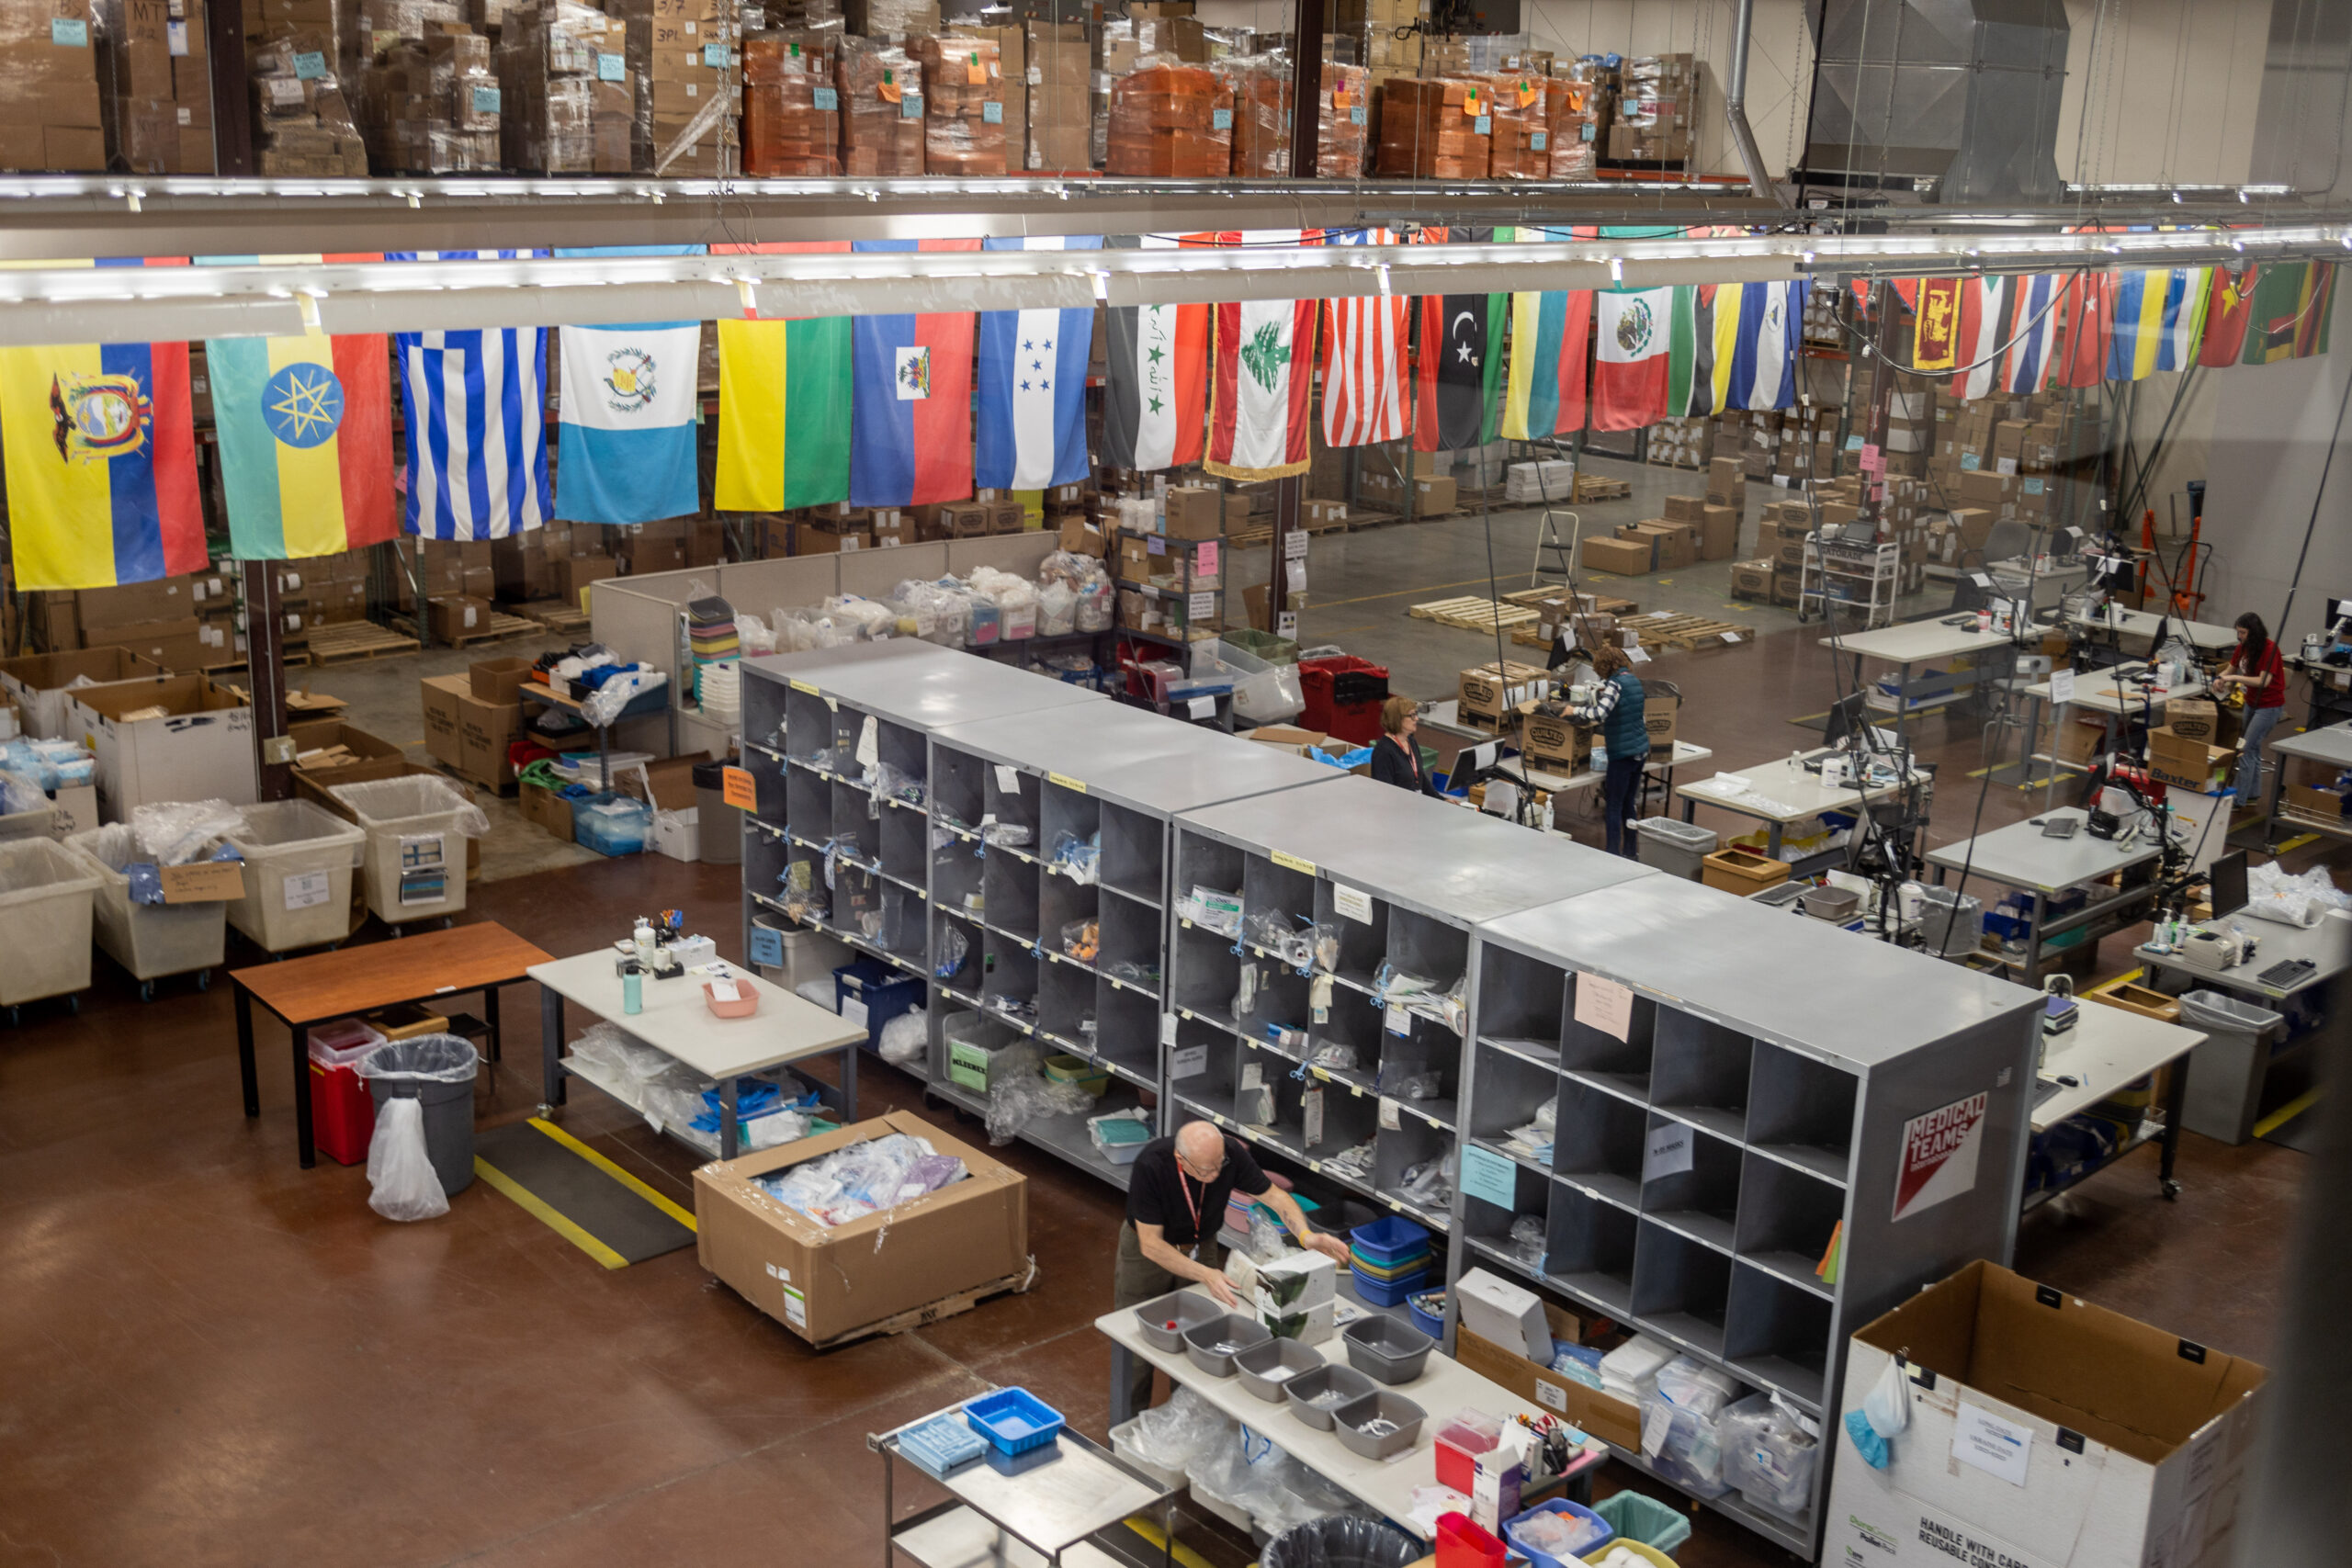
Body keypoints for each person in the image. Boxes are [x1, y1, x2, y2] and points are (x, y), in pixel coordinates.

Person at [1113, 1121, 1351, 1413]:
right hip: (1149, 1252)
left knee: (1202, 1333)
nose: (1214, 1176)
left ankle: (1183, 1418)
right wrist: (1205, 1273)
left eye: (1218, 1166)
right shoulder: (1152, 1165)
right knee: (1136, 1338)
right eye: (1204, 1170)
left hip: (1202, 1243)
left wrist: (1305, 1234)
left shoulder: (1230, 1154)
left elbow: (1273, 1195)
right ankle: (1127, 1418)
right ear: (1180, 1159)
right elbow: (1151, 1244)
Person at [1570, 642, 1649, 857]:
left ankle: (1612, 853)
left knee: (1613, 805)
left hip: (1621, 754)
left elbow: (1599, 715)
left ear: (1604, 667)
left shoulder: (1615, 685)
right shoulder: (1633, 681)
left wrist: (1574, 710)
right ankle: (1631, 851)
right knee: (1628, 803)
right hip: (1639, 751)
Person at [2213, 610, 2287, 803]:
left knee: (2244, 749)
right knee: (2252, 749)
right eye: (2238, 632)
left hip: (2269, 706)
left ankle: (2238, 798)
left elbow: (2264, 681)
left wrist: (2234, 677)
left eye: (2243, 632)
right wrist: (2221, 678)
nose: (2239, 636)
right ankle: (2252, 793)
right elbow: (2231, 667)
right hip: (2251, 703)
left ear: (2253, 632)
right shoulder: (2242, 647)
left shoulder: (2270, 650)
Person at [1370, 695, 1444, 797]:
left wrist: (1442, 799)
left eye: (1416, 714)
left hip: (1414, 804)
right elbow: (1384, 793)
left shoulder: (1411, 741)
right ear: (1398, 718)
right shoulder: (1383, 752)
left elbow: (1420, 776)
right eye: (1412, 715)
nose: (1417, 719)